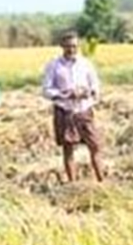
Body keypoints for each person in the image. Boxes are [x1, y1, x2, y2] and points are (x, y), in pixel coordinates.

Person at [42, 31, 105, 182]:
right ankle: (73, 184)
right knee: (68, 149)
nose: (72, 50)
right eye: (68, 46)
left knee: (95, 146)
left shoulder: (85, 63)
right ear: (62, 46)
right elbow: (46, 90)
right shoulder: (54, 65)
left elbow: (95, 84)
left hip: (84, 110)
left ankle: (101, 180)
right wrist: (65, 94)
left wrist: (88, 92)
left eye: (75, 46)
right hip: (65, 111)